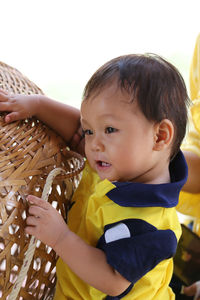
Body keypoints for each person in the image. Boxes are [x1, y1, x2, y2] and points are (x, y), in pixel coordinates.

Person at [0, 53, 189, 299]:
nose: (93, 143)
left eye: (109, 129)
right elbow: (75, 130)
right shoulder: (116, 162)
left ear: (160, 136)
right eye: (90, 130)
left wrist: (60, 237)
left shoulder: (152, 227)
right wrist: (38, 105)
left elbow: (112, 279)